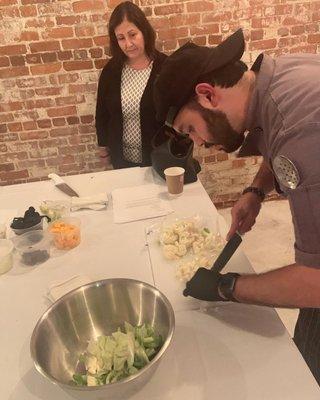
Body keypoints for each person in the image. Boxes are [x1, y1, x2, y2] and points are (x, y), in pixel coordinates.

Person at [153, 28, 320, 384]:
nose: (199, 143)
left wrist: (227, 287)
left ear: (207, 94)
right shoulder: (277, 80)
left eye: (191, 129)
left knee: (303, 374)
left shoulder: (299, 130)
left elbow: (315, 281)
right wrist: (256, 191)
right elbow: (277, 138)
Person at [95, 1, 167, 169]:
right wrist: (103, 152)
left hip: (159, 159)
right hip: (121, 160)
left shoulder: (166, 67)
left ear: (144, 31)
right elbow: (102, 114)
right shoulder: (111, 71)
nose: (128, 44)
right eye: (121, 38)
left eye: (132, 34)